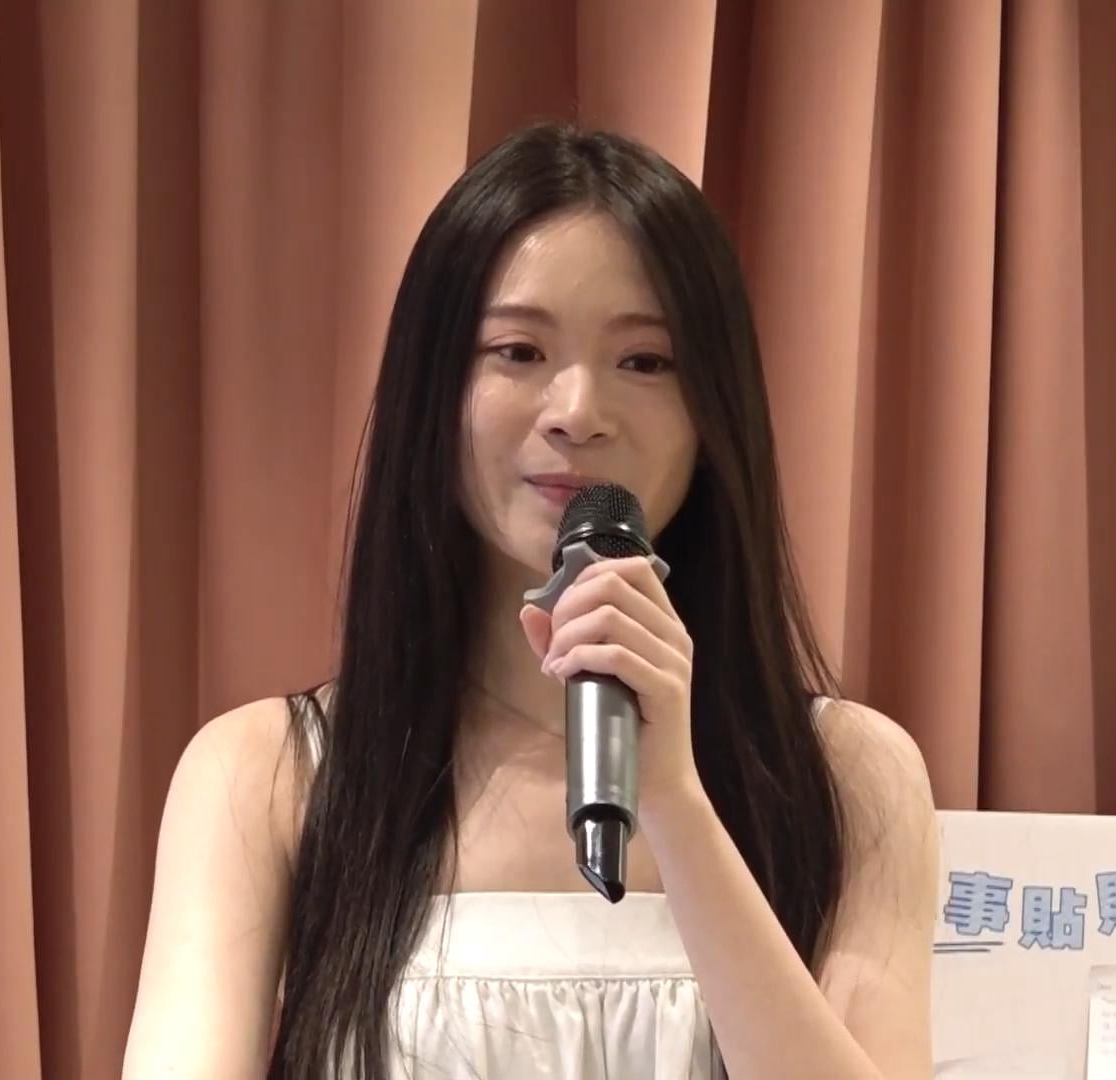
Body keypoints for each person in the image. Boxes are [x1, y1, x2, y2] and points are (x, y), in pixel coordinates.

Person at [121, 122, 939, 1080]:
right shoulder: (268, 775)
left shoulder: (849, 776)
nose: (577, 411)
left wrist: (673, 801)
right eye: (517, 351)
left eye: (646, 361)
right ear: (434, 389)